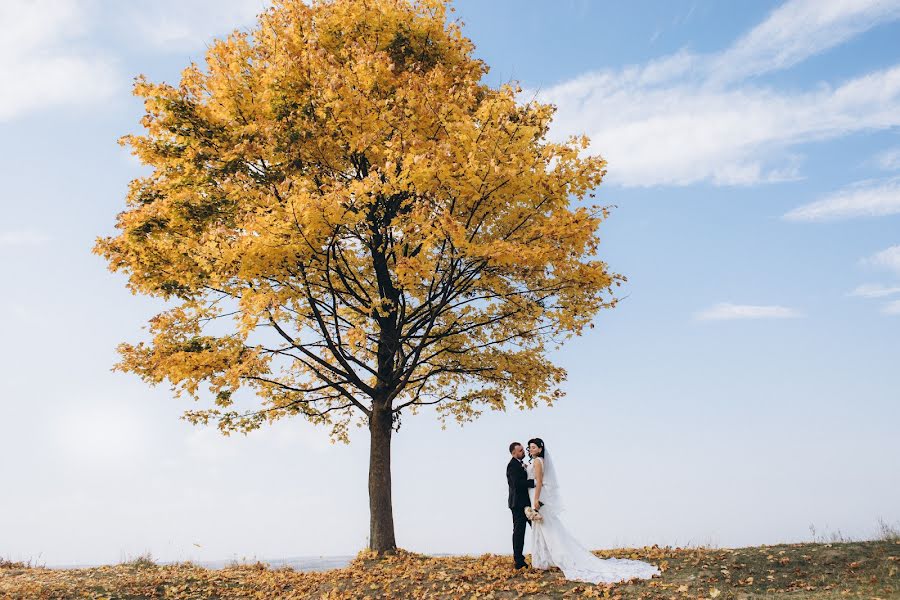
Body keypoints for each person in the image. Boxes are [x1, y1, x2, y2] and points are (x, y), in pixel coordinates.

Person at [525, 437, 661, 584]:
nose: (531, 449)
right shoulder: (536, 461)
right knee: (544, 528)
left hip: (537, 496)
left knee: (549, 529)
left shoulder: (538, 461)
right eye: (530, 447)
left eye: (534, 447)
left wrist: (536, 500)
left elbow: (539, 482)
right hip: (536, 495)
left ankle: (556, 558)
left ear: (540, 449)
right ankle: (544, 559)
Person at [506, 441, 536, 570]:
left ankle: (543, 555)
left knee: (538, 529)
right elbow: (516, 484)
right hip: (518, 505)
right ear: (513, 453)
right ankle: (518, 561)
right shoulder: (512, 466)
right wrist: (533, 482)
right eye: (520, 451)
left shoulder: (520, 464)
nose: (523, 452)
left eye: (523, 450)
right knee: (519, 532)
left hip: (526, 504)